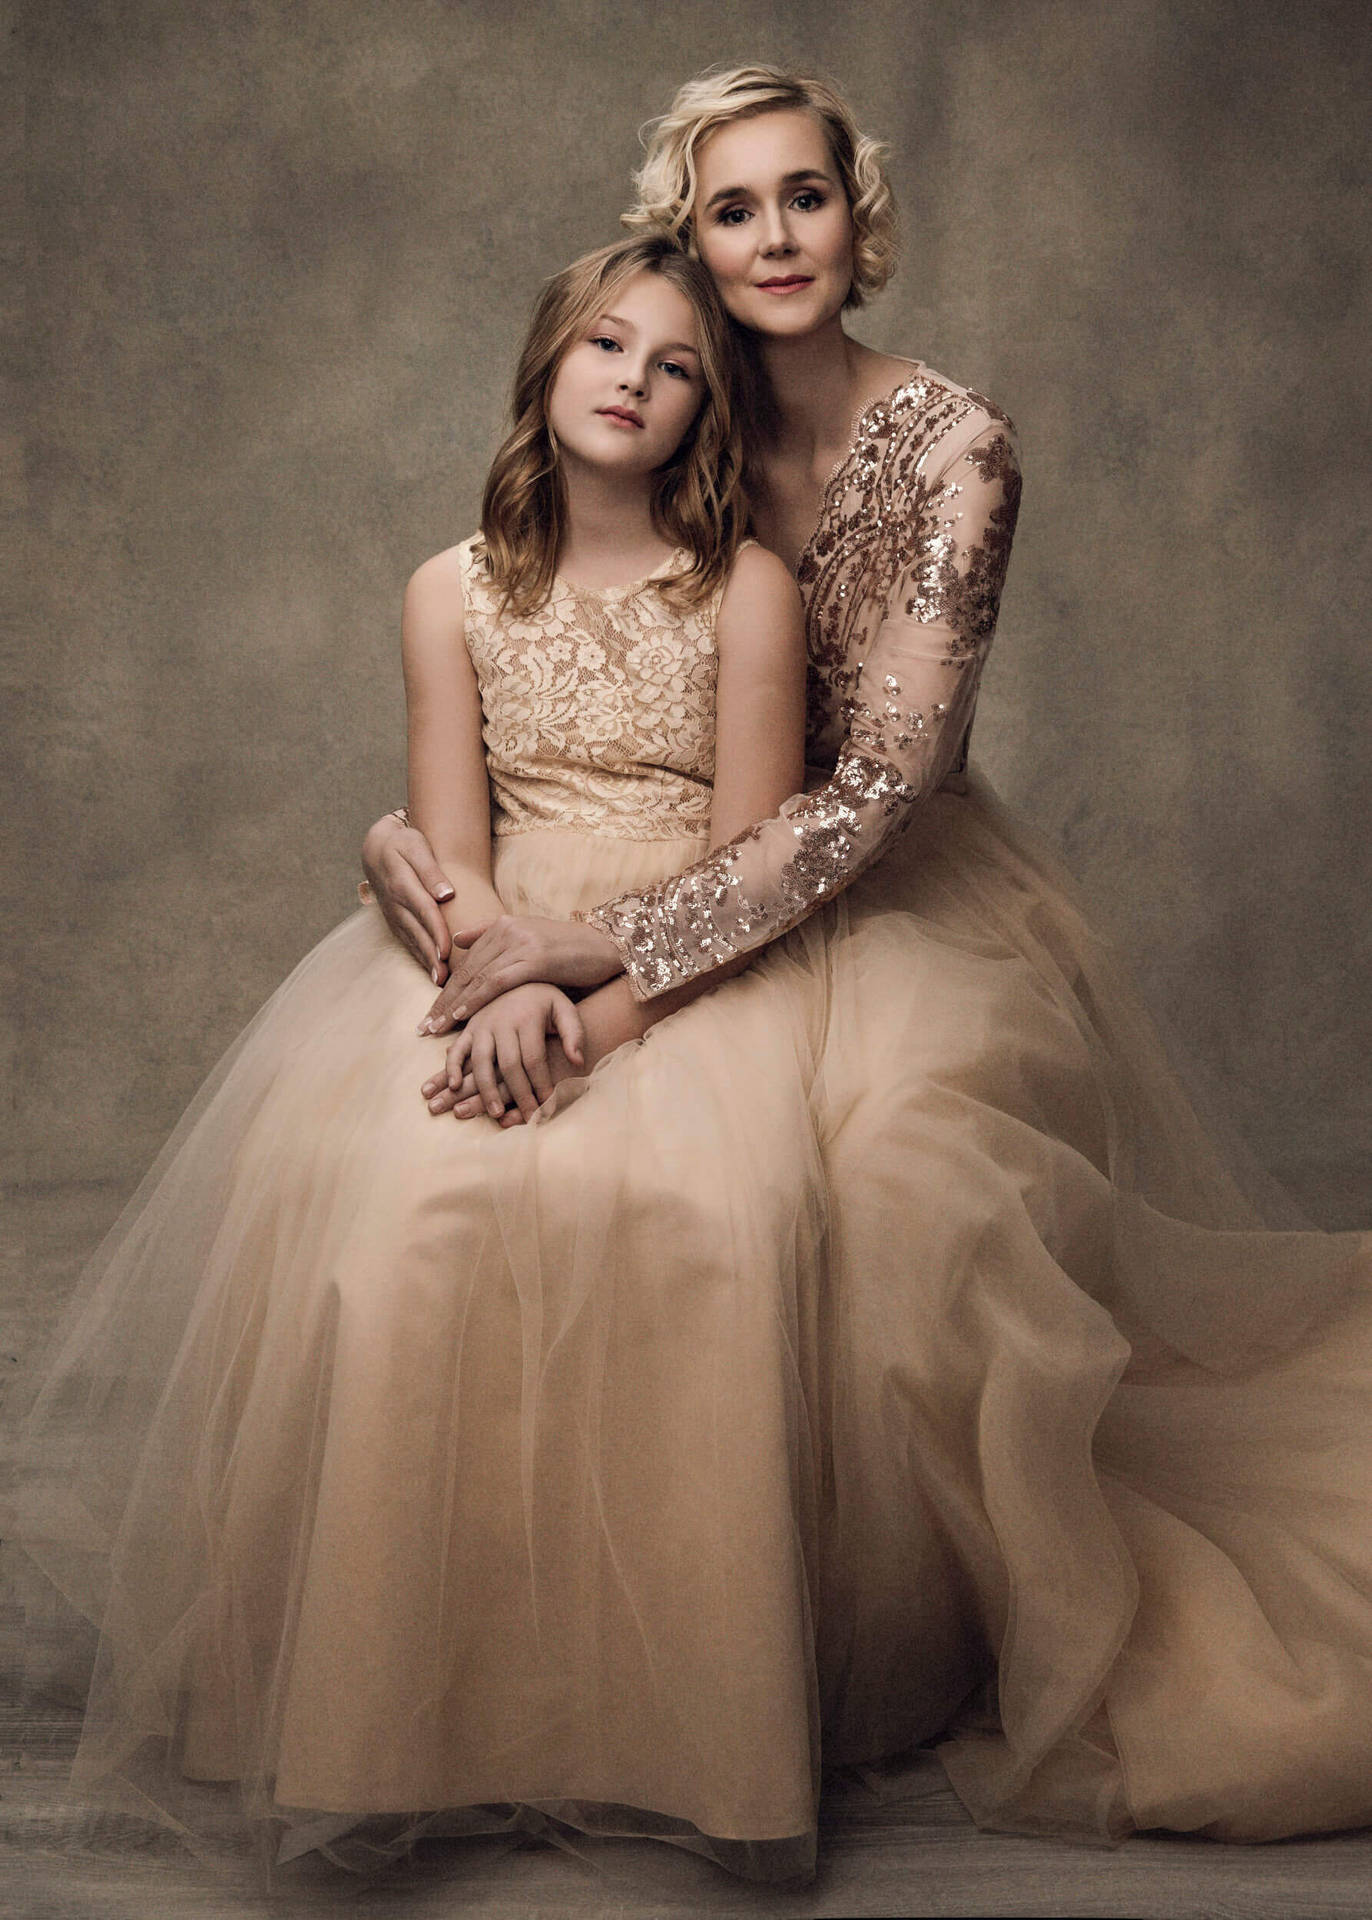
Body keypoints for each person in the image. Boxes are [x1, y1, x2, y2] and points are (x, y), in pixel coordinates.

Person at [362, 66, 1372, 1848]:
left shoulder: (953, 449)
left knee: (902, 1170)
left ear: (861, 213)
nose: (773, 240)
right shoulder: (672, 382)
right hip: (660, 853)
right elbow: (537, 620)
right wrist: (455, 887)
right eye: (733, 208)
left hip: (879, 872)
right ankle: (598, 1627)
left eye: (805, 198)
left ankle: (876, 1649)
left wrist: (582, 960)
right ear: (693, 231)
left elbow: (866, 799)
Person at [14, 231, 848, 1879]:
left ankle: (676, 1730)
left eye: (677, 367)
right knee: (410, 1223)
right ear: (549, 364)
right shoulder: (449, 587)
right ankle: (397, 1724)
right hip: (491, 955)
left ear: (704, 413)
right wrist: (497, 986)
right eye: (608, 346)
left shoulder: (748, 587)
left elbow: (752, 877)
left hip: (681, 969)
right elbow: (456, 847)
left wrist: (588, 1007)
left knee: (706, 1223)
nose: (635, 381)